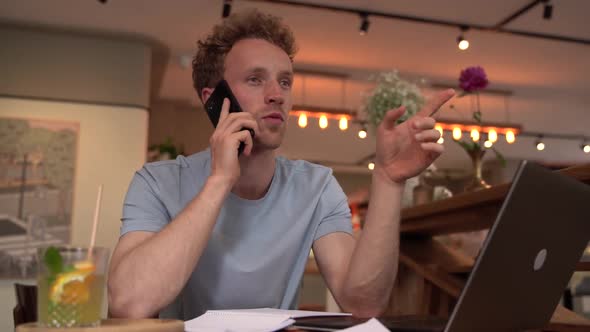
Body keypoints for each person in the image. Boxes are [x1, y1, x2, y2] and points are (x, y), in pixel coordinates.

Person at [107, 9, 454, 320]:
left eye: (285, 81)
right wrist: (219, 182)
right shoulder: (156, 181)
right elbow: (129, 303)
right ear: (213, 101)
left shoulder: (317, 187)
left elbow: (362, 303)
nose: (277, 94)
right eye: (256, 79)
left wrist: (389, 181)